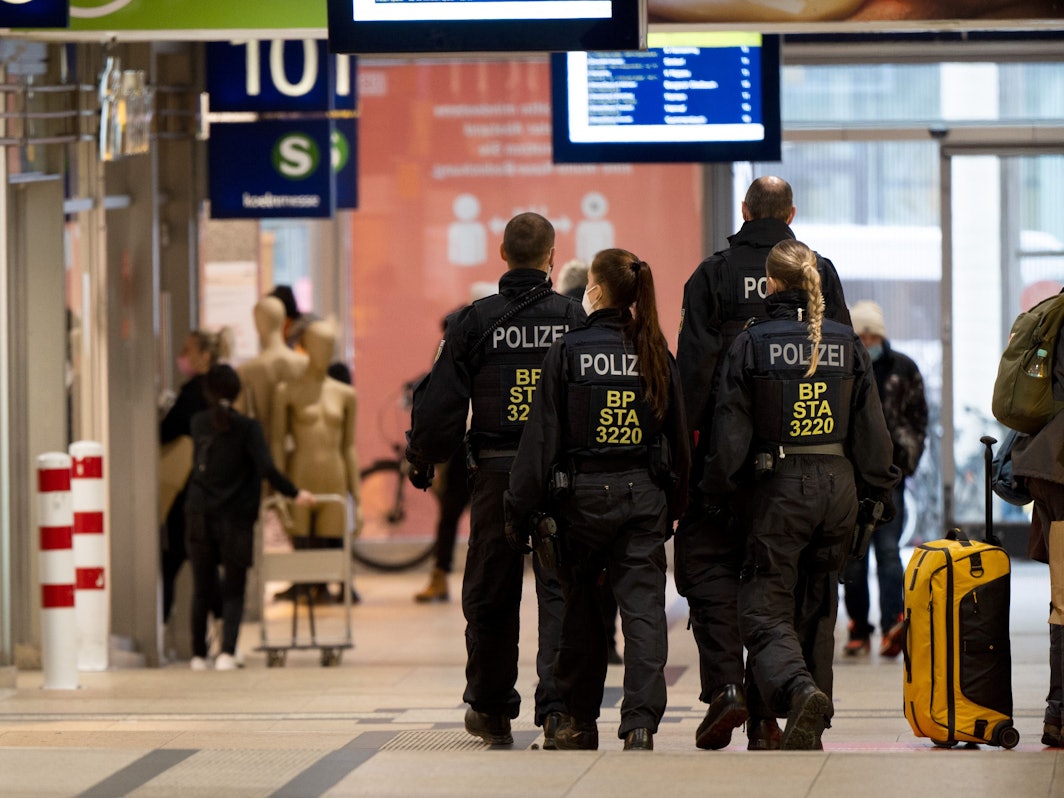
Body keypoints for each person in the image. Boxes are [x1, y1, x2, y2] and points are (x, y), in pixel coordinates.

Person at [674, 175, 852, 751]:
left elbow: (695, 375)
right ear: (792, 213)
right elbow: (845, 365)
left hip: (730, 459)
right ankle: (780, 716)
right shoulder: (820, 270)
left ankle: (728, 689)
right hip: (810, 455)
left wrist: (699, 471)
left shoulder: (712, 274)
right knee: (794, 586)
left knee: (712, 570)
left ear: (746, 210)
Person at [703, 239, 899, 749]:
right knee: (817, 608)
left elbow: (732, 436)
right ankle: (800, 730)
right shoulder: (846, 340)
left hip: (778, 490)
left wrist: (713, 491)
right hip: (839, 490)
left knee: (764, 607)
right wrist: (878, 492)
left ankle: (797, 690)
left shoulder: (751, 342)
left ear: (770, 284)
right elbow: (872, 432)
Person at [405, 212, 586, 747]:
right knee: (560, 590)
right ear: (552, 257)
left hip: (496, 475)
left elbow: (440, 405)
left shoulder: (472, 322)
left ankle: (489, 707)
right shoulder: (577, 319)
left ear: (503, 255)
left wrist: (424, 456)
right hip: (560, 477)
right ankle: (559, 711)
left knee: (490, 590)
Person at [505, 249, 690, 751]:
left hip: (580, 503)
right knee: (644, 613)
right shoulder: (654, 352)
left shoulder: (568, 352)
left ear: (599, 291)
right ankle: (640, 724)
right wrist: (673, 507)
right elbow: (678, 440)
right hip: (644, 498)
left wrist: (519, 508)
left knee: (580, 615)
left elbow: (541, 438)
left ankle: (579, 722)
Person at [186, 364, 315, 670]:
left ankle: (197, 656)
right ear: (237, 392)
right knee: (234, 586)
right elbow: (267, 470)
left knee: (202, 587)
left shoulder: (198, 423)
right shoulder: (248, 427)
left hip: (198, 514)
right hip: (235, 517)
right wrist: (297, 493)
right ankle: (227, 653)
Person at [842, 300, 928, 658]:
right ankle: (858, 627)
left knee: (890, 554)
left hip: (891, 478)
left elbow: (918, 419)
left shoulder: (903, 368)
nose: (868, 340)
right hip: (851, 478)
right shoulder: (843, 367)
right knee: (854, 558)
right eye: (861, 335)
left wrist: (905, 459)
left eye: (872, 334)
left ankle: (895, 622)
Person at [414, 282, 496, 604]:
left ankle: (448, 577)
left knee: (462, 514)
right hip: (474, 440)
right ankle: (445, 576)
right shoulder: (467, 338)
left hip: (474, 439)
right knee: (459, 513)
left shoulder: (464, 337)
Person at [271, 320, 362, 602]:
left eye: (330, 347)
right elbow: (276, 442)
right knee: (301, 538)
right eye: (320, 345)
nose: (325, 352)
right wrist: (279, 489)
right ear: (307, 347)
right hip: (300, 471)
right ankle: (304, 584)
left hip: (334, 473)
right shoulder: (287, 391)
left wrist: (356, 499)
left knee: (333, 536)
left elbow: (348, 447)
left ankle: (333, 584)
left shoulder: (345, 394)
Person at [1009, 299, 1064, 748]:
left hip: (1048, 465)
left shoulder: (1053, 312)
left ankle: (1058, 713)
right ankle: (1060, 711)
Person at [160, 328, 232, 631]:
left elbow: (165, 431)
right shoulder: (220, 392)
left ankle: (161, 626)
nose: (181, 357)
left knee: (175, 557)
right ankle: (225, 630)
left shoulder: (193, 393)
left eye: (187, 351)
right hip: (216, 489)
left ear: (204, 356)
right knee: (200, 562)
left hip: (191, 488)